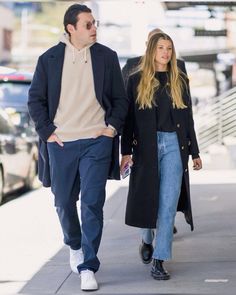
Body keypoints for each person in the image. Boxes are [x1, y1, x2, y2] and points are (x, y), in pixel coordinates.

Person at [28, 4, 128, 291]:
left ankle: (88, 265)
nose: (94, 28)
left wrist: (110, 129)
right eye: (87, 24)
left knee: (93, 202)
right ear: (70, 28)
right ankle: (74, 244)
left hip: (97, 141)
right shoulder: (48, 59)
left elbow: (121, 100)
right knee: (63, 201)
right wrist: (48, 132)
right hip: (62, 144)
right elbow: (35, 101)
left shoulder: (107, 57)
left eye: (94, 23)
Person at [120, 32, 202, 280]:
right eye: (160, 48)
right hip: (146, 147)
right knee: (148, 199)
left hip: (175, 147)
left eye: (169, 48)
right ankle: (146, 238)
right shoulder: (136, 80)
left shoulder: (180, 80)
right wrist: (125, 152)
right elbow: (128, 121)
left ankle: (159, 258)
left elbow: (188, 119)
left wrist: (195, 152)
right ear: (151, 51)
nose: (165, 53)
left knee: (167, 205)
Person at [122, 28, 187, 87]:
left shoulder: (179, 66)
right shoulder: (132, 65)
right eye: (160, 47)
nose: (165, 51)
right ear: (147, 44)